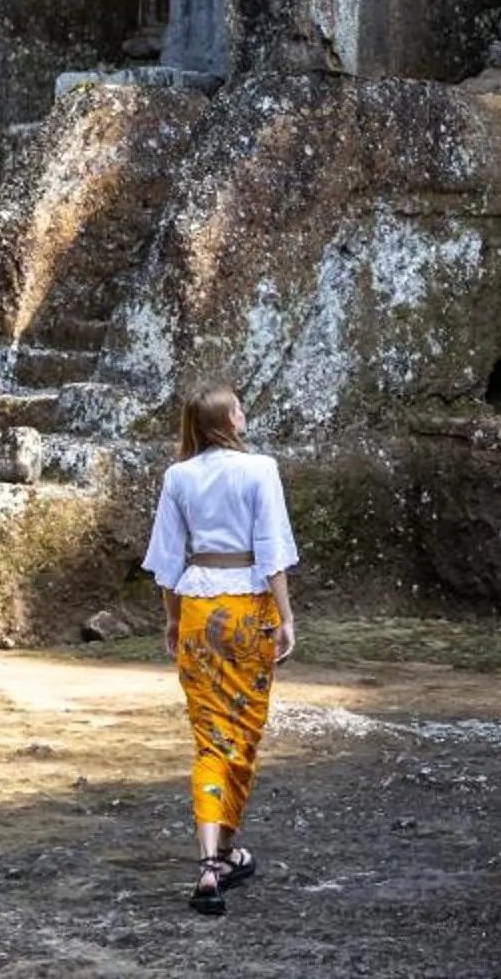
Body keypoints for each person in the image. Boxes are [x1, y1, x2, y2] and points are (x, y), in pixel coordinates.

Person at [142, 384, 299, 916]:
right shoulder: (261, 470)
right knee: (244, 734)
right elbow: (271, 550)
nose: (244, 412)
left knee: (210, 740)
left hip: (199, 610)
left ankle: (218, 859)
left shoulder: (178, 476)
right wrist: (286, 616)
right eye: (239, 406)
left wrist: (170, 617)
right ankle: (219, 857)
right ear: (230, 420)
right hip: (249, 609)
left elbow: (168, 557)